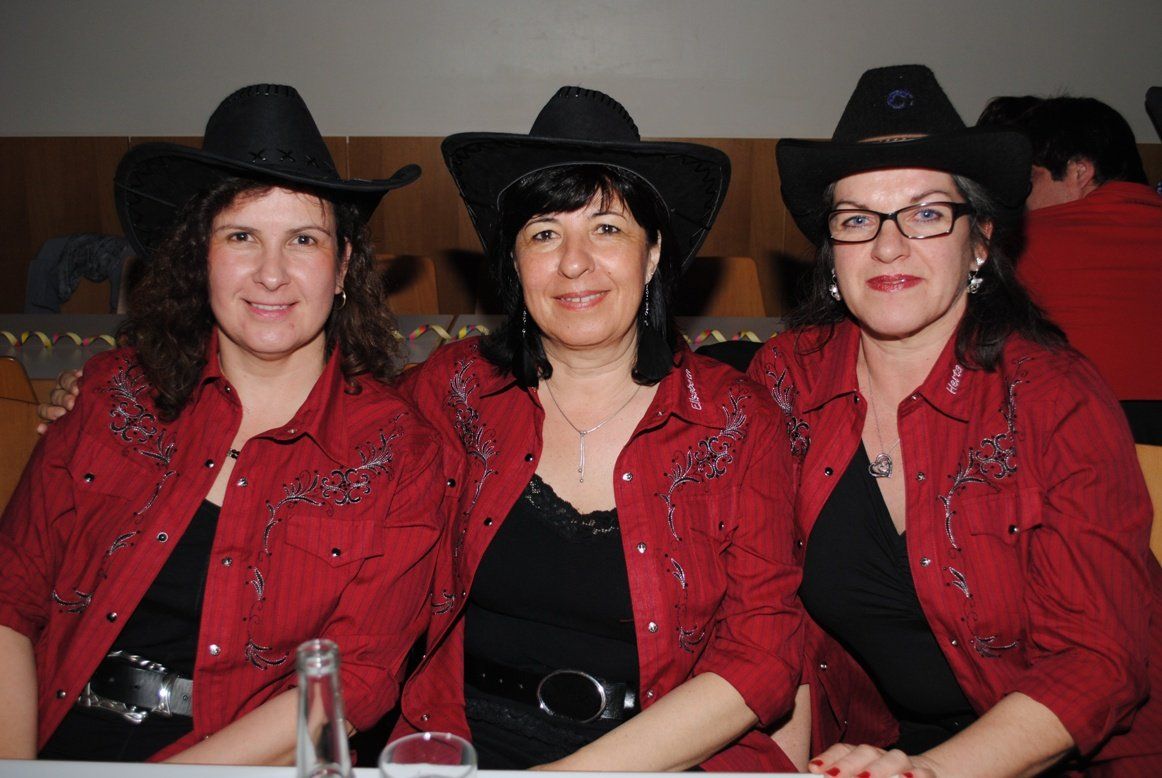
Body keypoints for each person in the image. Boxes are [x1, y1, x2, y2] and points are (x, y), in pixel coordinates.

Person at [0, 84, 442, 764]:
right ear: (198, 255)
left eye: (303, 239)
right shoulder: (108, 396)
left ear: (344, 266)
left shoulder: (397, 454)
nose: (271, 274)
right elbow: (10, 599)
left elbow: (353, 684)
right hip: (50, 734)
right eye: (241, 236)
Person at [756, 65, 1161, 776]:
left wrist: (933, 773)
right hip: (880, 747)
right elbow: (769, 610)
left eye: (925, 214)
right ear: (832, 252)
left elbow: (1097, 662)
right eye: (857, 220)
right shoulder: (789, 377)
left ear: (979, 242)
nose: (887, 247)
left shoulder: (1055, 397)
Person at [392, 86, 805, 771]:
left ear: (652, 254)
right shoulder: (455, 391)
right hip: (465, 745)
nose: (574, 262)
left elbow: (763, 655)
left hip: (669, 756)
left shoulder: (736, 420)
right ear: (514, 262)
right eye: (544, 234)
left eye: (607, 229)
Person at [979, 96, 1162, 444]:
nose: (1020, 197)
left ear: (1080, 172)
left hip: (1089, 440)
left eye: (1031, 180)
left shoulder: (1022, 242)